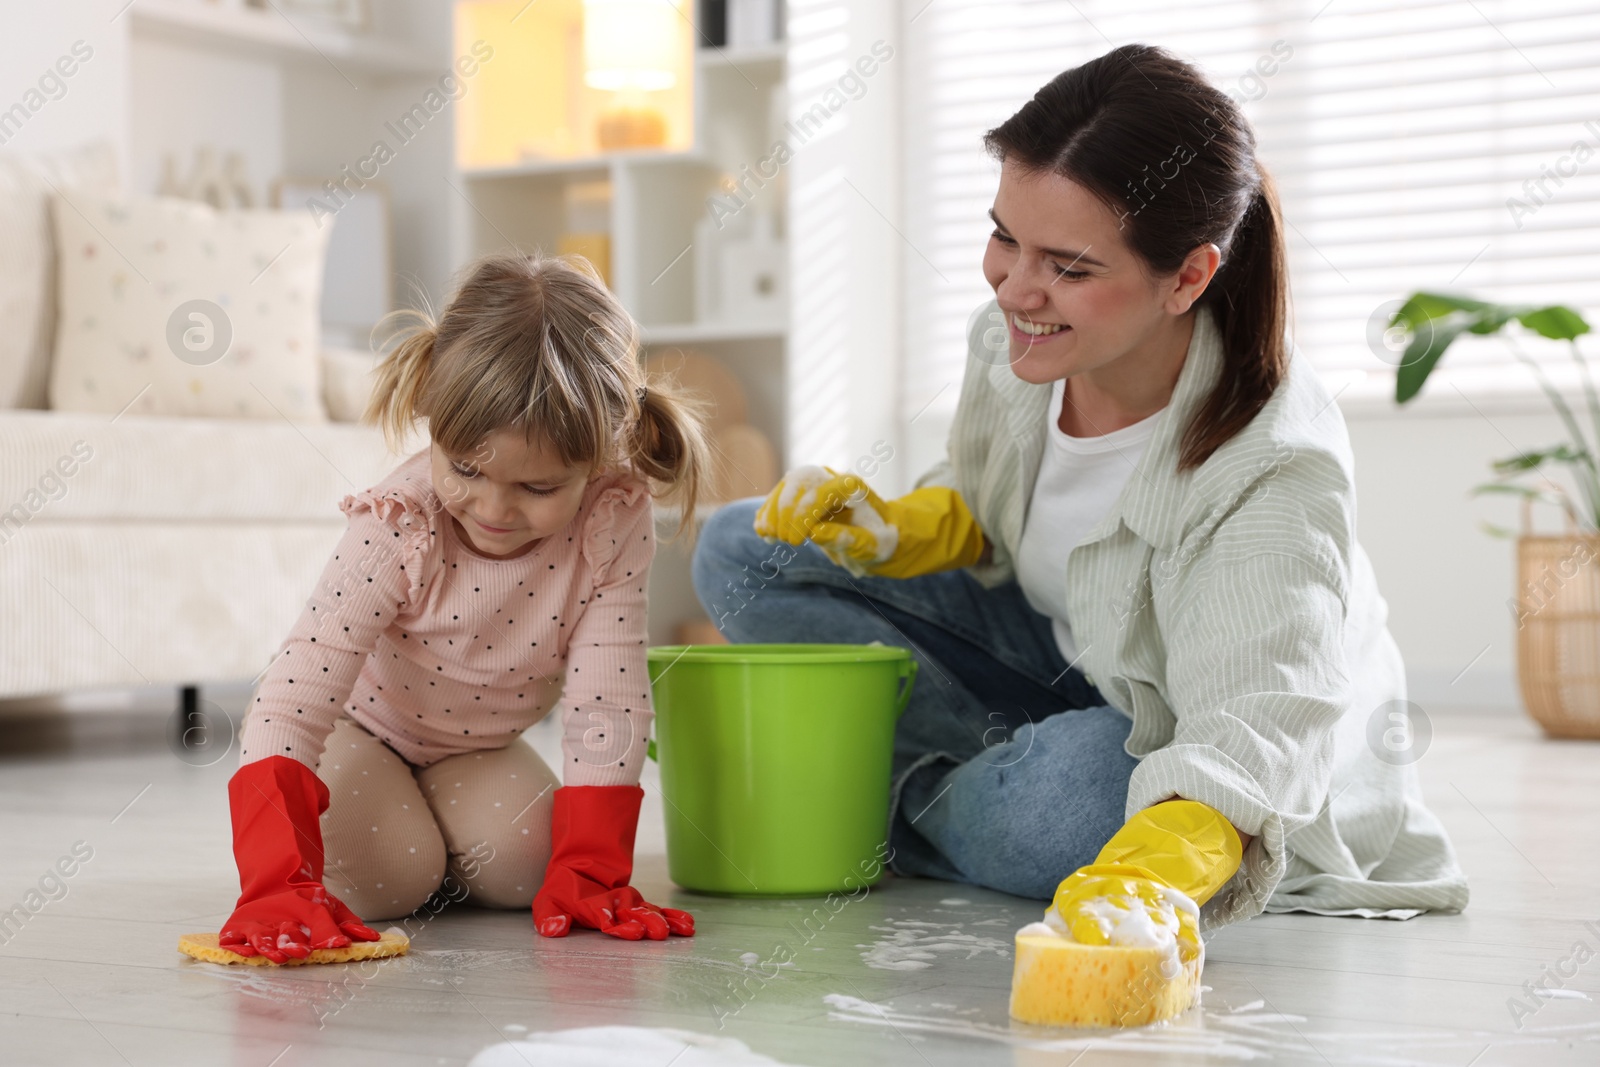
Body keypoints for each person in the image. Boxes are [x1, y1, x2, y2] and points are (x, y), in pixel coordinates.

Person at [692, 44, 1467, 953]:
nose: (1016, 289)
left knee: (1088, 797)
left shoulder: (1274, 468)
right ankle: (972, 786)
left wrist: (1148, 874)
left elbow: (1256, 729)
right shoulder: (1021, 340)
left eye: (1068, 265)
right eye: (1004, 236)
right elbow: (997, 504)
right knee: (743, 547)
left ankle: (891, 799)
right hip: (1059, 663)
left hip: (1184, 736)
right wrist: (906, 528)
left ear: (1188, 276)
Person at [219, 251, 710, 962]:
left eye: (537, 488)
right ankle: (391, 831)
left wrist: (593, 867)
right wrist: (273, 879)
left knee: (530, 863)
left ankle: (427, 827)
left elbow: (607, 700)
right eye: (466, 469)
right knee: (398, 871)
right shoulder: (399, 524)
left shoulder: (611, 517)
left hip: (473, 747)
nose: (493, 508)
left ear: (601, 454)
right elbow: (293, 696)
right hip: (359, 729)